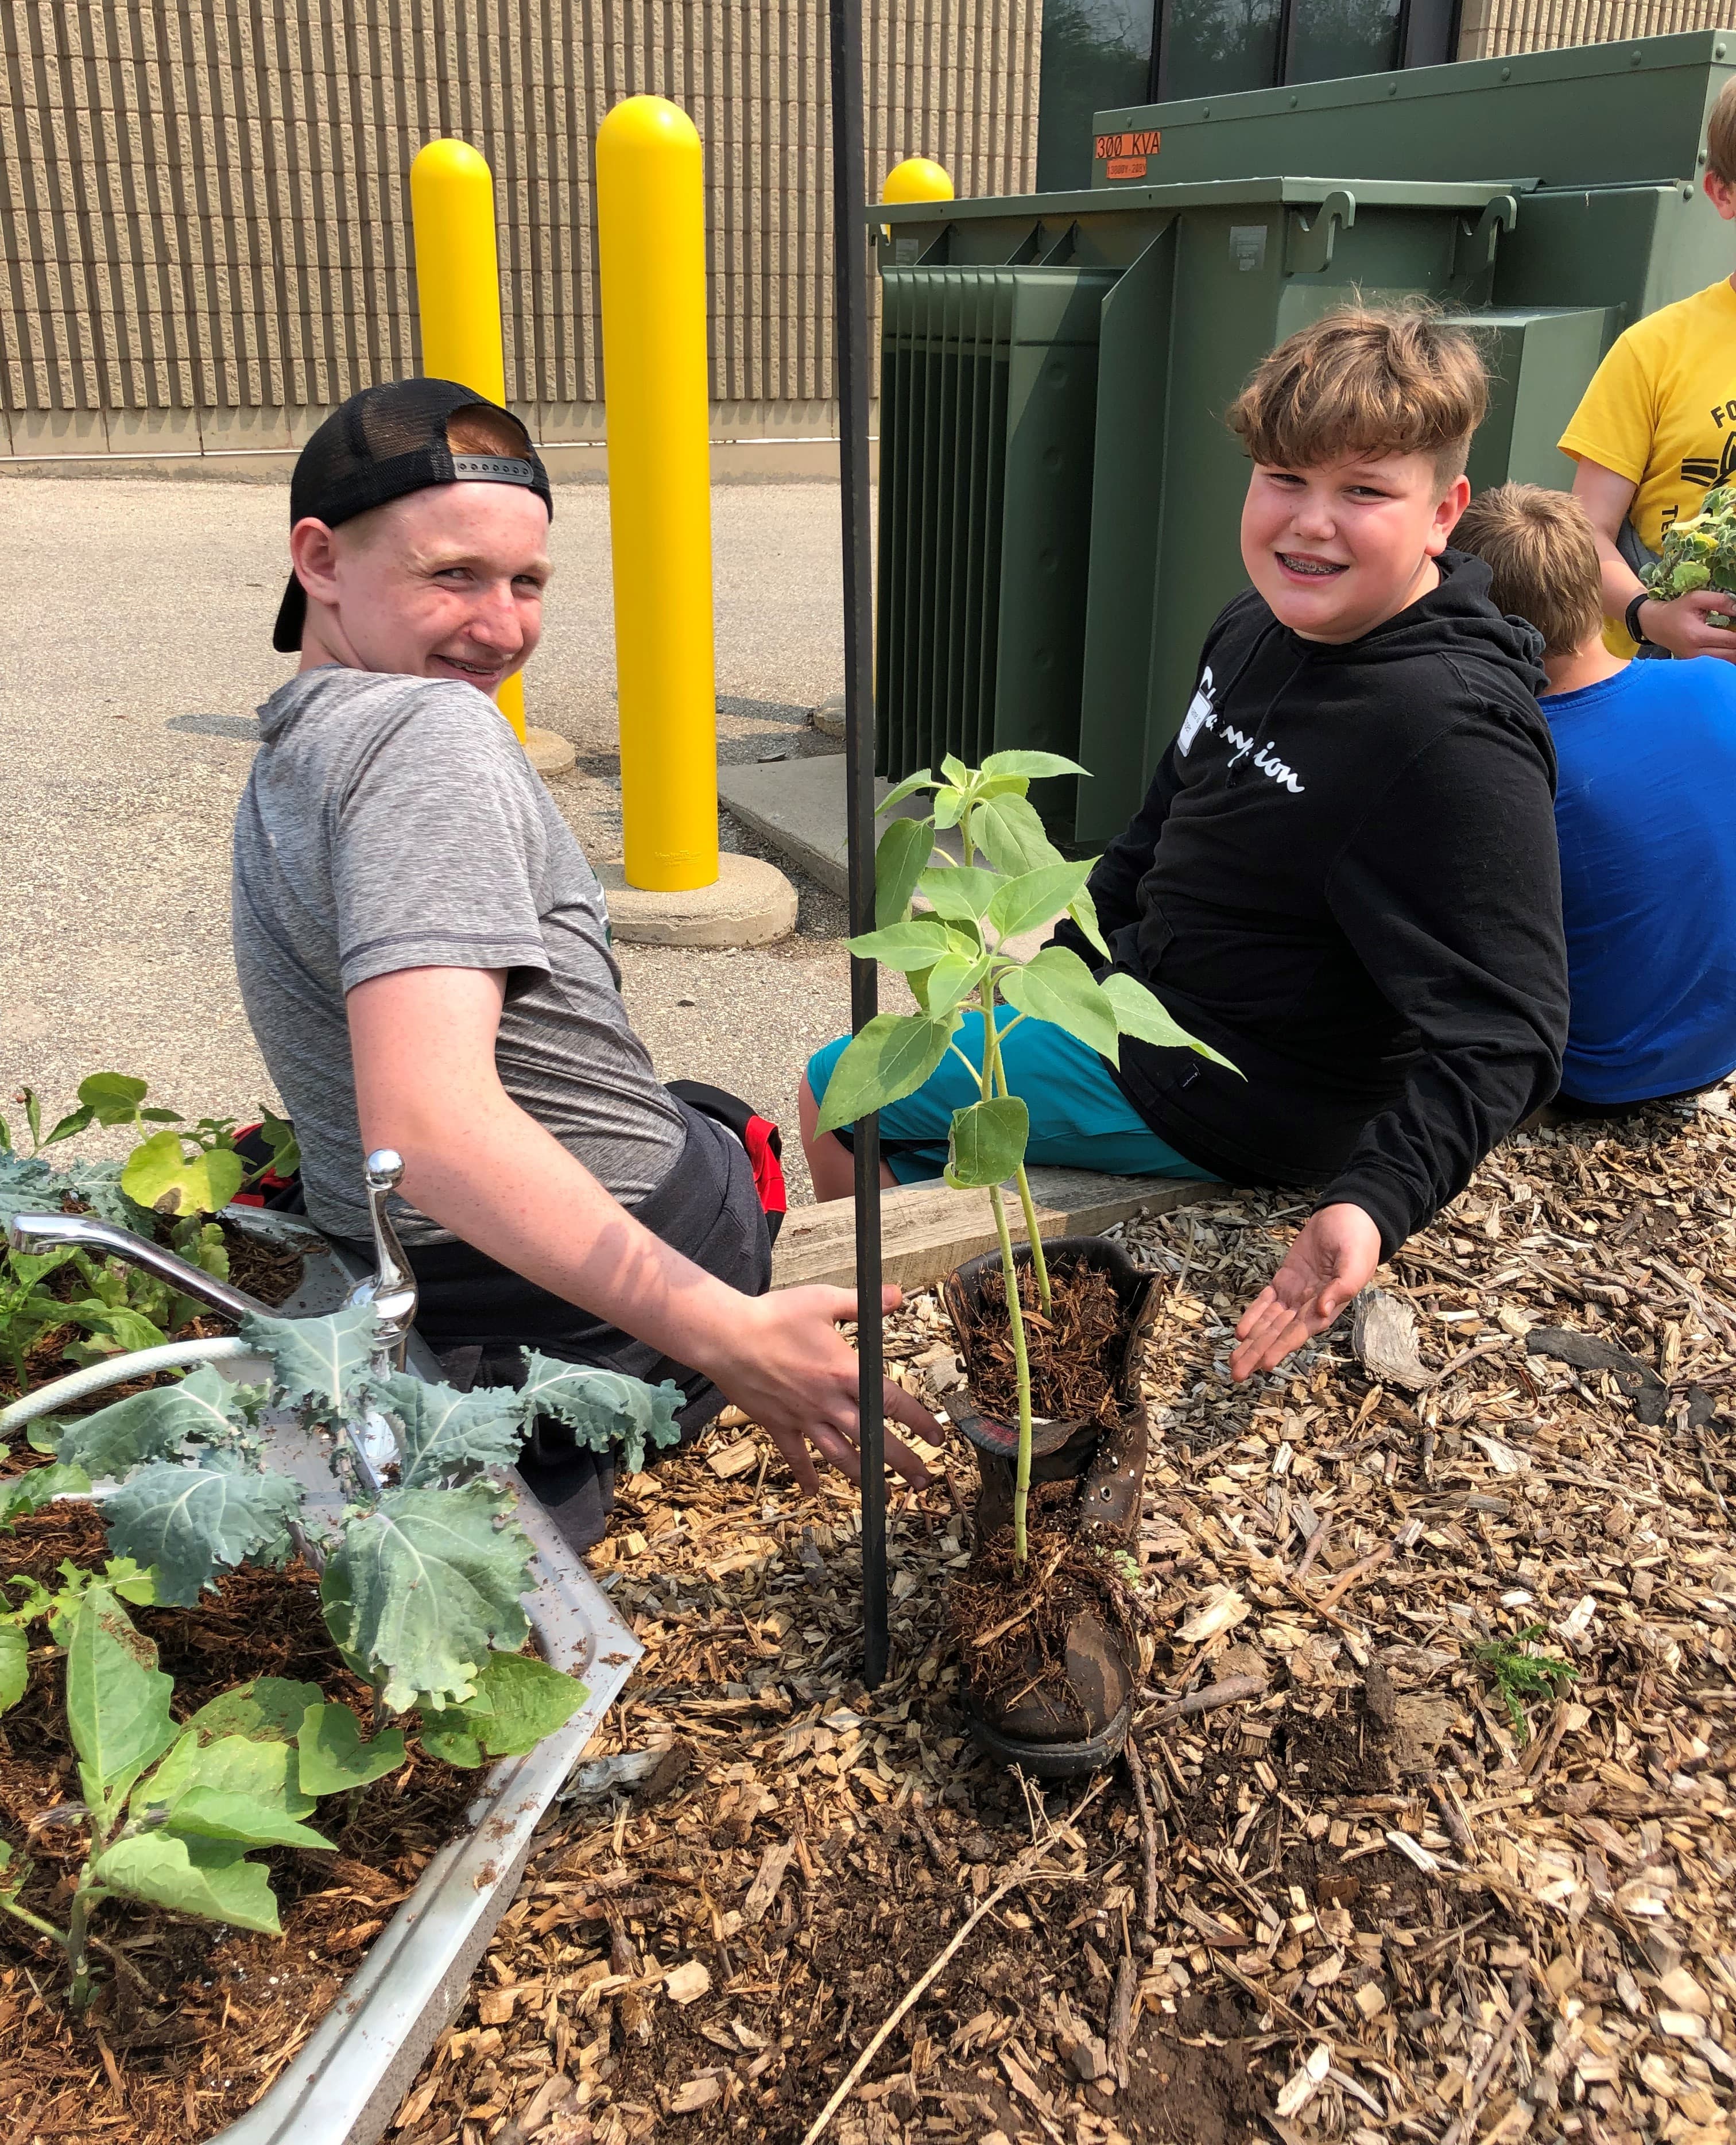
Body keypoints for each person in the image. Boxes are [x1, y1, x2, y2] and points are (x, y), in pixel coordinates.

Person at [232, 377, 941, 1547]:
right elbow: (428, 1132)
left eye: (527, 583)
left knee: (703, 1112)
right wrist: (729, 1335)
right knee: (728, 1139)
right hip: (585, 1290)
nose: (501, 628)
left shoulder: (298, 734)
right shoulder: (430, 735)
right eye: (453, 574)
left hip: (415, 1273)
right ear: (319, 559)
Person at [800, 305, 1569, 1381]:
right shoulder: (1256, 623)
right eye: (1283, 478)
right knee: (936, 1086)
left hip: (1240, 1084)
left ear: (1443, 512)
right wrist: (1063, 956)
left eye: (1363, 491)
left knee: (840, 1089)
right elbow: (1162, 821)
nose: (1310, 524)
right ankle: (966, 1303)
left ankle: (896, 1344)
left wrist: (1373, 1200)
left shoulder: (1445, 730)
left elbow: (1512, 1026)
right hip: (1149, 1003)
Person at [1455, 482, 1736, 1111]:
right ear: (1593, 589)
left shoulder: (1510, 758)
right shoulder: (1718, 683)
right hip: (1718, 1049)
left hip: (1596, 1070)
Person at [1558, 75, 1736, 663]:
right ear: (1722, 193)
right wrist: (1650, 615)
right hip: (1666, 681)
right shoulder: (1654, 349)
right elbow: (1586, 532)